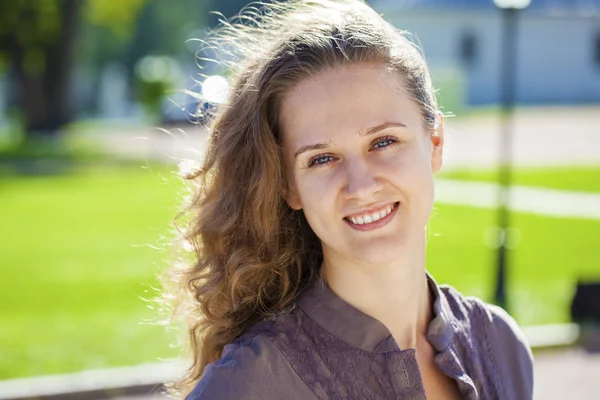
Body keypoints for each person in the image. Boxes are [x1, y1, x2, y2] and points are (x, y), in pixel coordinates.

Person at [165, 0, 534, 398]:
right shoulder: (248, 385)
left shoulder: (500, 345)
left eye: (384, 141)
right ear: (289, 186)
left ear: (435, 142)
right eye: (322, 158)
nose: (360, 186)